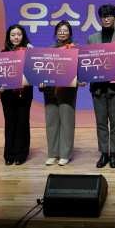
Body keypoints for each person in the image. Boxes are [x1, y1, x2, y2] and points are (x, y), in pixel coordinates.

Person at [87, 4, 115, 169]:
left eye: (109, 16)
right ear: (100, 18)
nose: (106, 19)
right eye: (104, 16)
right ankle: (104, 153)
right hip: (98, 87)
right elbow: (88, 63)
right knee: (100, 122)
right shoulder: (92, 39)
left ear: (114, 17)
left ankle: (113, 153)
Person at [43, 20, 78, 166]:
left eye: (65, 30)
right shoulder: (48, 50)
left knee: (67, 123)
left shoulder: (75, 49)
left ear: (70, 33)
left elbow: (80, 70)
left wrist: (80, 79)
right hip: (50, 91)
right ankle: (52, 154)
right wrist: (41, 81)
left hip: (67, 91)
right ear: (56, 33)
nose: (62, 33)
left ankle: (65, 154)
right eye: (60, 30)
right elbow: (42, 70)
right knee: (51, 123)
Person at [0, 24, 33, 165]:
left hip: (25, 93)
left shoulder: (29, 52)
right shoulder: (3, 53)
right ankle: (9, 154)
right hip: (7, 94)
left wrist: (32, 53)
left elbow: (34, 71)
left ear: (23, 36)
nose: (16, 37)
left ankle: (21, 153)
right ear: (8, 37)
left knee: (23, 122)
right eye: (13, 35)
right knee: (10, 122)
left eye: (19, 34)